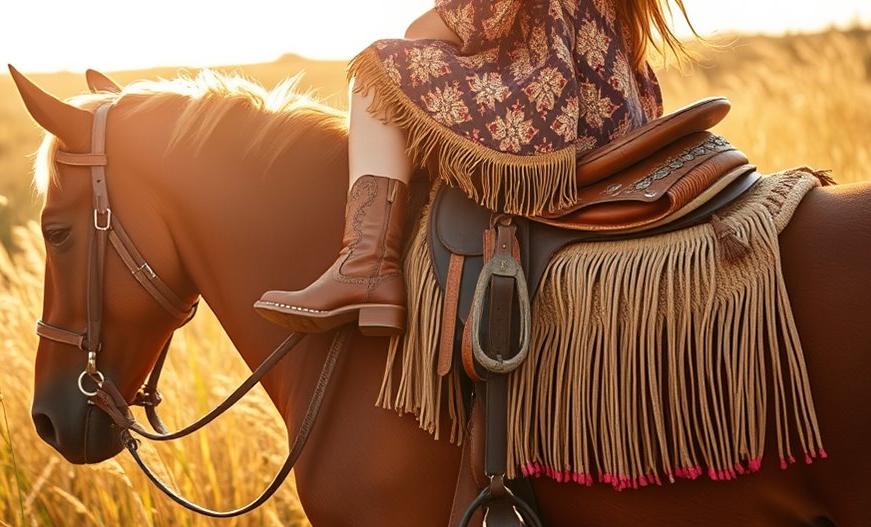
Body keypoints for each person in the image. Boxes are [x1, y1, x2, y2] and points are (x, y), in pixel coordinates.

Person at [253, 0, 694, 336]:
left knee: (375, 69)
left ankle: (366, 263)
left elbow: (425, 30)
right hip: (619, 124)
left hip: (561, 124)